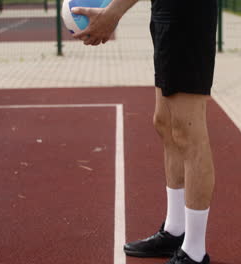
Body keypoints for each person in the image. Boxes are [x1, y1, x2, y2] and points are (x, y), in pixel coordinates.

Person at [72, 0, 217, 263]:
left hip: (188, 13)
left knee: (189, 133)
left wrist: (113, 12)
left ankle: (195, 252)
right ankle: (176, 230)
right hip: (165, 10)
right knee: (164, 122)